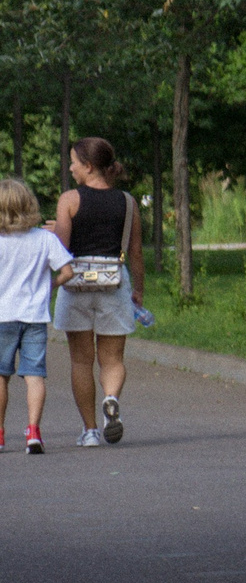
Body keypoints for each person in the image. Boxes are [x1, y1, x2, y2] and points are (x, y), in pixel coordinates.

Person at [51, 136, 145, 447]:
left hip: (75, 283)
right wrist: (139, 293)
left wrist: (51, 232)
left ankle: (90, 431)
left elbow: (61, 248)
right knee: (113, 359)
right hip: (114, 282)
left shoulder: (69, 200)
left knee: (81, 360)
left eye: (74, 162)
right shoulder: (128, 203)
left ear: (89, 166)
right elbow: (136, 254)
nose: (71, 167)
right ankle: (111, 398)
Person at [0, 178, 75, 453]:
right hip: (34, 317)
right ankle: (33, 432)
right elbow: (67, 272)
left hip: (1, 317)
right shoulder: (45, 239)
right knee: (34, 376)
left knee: (0, 376)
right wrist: (51, 286)